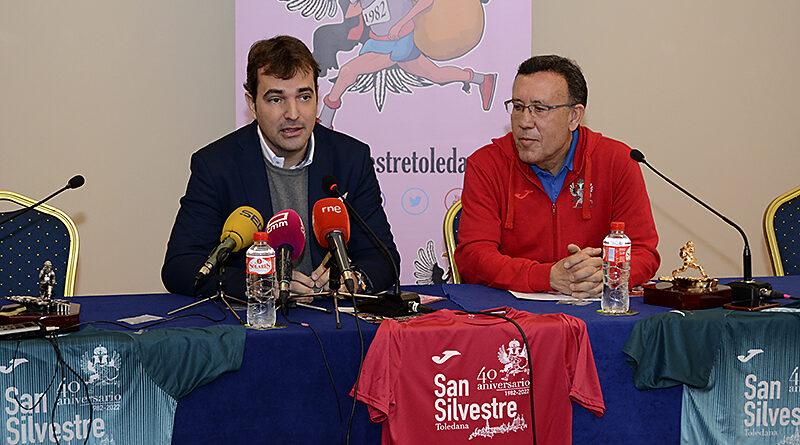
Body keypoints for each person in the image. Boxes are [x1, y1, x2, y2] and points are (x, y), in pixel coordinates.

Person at [162, 35, 400, 299]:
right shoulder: (217, 165)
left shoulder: (350, 159)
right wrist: (260, 283)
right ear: (252, 104)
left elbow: (383, 258)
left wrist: (355, 279)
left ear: (317, 98)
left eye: (304, 96)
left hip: (331, 319)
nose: (293, 113)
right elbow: (180, 266)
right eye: (276, 99)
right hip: (257, 325)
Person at [454, 55, 660, 298]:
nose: (524, 122)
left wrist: (604, 275)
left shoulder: (618, 161)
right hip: (516, 316)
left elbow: (643, 252)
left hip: (593, 308)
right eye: (518, 107)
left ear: (574, 116)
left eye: (539, 109)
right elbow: (473, 256)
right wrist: (548, 276)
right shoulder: (487, 164)